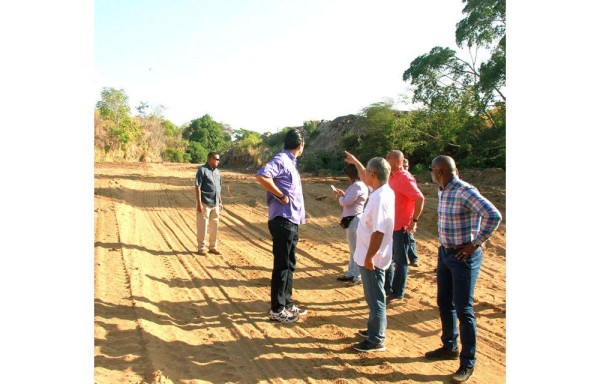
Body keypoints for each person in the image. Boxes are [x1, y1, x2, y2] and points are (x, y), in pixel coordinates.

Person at [425, 155, 502, 383]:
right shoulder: (443, 189)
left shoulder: (463, 191)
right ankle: (449, 346)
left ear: (439, 171)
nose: (430, 173)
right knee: (444, 302)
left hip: (463, 256)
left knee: (464, 309)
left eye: (431, 169)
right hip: (446, 253)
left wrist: (475, 243)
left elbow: (493, 215)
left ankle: (467, 363)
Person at [344, 152, 395, 353]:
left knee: (375, 299)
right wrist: (356, 161)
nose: (364, 174)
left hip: (372, 257)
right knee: (373, 297)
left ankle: (376, 339)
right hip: (370, 255)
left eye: (366, 172)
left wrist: (369, 257)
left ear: (373, 174)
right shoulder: (381, 191)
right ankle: (373, 330)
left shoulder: (380, 197)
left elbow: (379, 231)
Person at [256, 128, 307, 324]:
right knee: (282, 266)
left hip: (291, 220)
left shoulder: (290, 162)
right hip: (282, 220)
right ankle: (277, 309)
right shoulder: (282, 160)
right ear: (300, 145)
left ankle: (286, 303)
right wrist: (280, 195)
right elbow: (262, 175)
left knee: (289, 264)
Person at [384, 150, 424, 304]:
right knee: (388, 258)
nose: (386, 159)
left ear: (397, 161)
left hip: (401, 226)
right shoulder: (391, 177)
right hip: (389, 225)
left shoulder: (405, 178)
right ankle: (387, 288)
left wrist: (414, 220)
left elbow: (419, 198)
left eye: (389, 158)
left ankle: (397, 292)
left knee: (400, 261)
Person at [333, 163, 369, 286]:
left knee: (355, 249)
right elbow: (349, 199)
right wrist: (343, 195)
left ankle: (357, 275)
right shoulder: (357, 185)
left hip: (354, 220)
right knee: (353, 248)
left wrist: (340, 198)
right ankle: (351, 272)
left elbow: (347, 202)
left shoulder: (357, 185)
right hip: (353, 219)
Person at [195, 152, 223, 256]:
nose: (218, 161)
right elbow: (197, 186)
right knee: (203, 226)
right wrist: (199, 203)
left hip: (215, 203)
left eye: (218, 159)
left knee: (214, 226)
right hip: (205, 203)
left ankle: (213, 247)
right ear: (210, 159)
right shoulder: (202, 170)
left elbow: (218, 187)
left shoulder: (217, 172)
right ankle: (201, 248)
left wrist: (220, 201)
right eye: (217, 159)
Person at [403, 158, 420, 267]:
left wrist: (414, 218)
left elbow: (417, 197)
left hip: (408, 213)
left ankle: (413, 258)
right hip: (398, 212)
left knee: (410, 237)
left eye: (406, 166)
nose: (405, 168)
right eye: (403, 166)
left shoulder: (410, 179)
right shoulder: (396, 178)